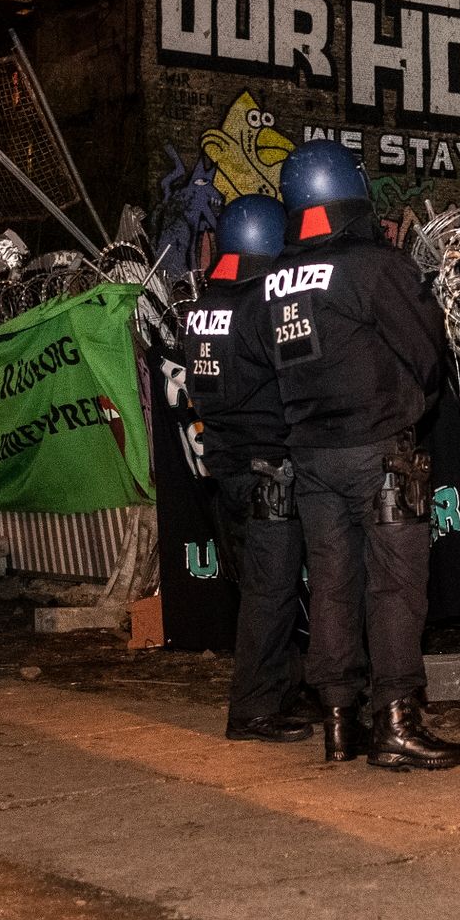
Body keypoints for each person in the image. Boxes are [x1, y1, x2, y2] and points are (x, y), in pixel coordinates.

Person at [233, 142, 460, 769]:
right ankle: (396, 724)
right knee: (395, 588)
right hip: (378, 452)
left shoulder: (272, 282)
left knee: (332, 586)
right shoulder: (374, 265)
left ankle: (340, 722)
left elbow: (256, 369)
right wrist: (408, 406)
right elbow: (427, 350)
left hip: (311, 457)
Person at [183, 193, 310, 743]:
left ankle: (279, 692)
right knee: (273, 591)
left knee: (260, 587)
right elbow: (297, 379)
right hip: (270, 467)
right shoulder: (268, 303)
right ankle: (253, 709)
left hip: (226, 466)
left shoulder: (203, 304)